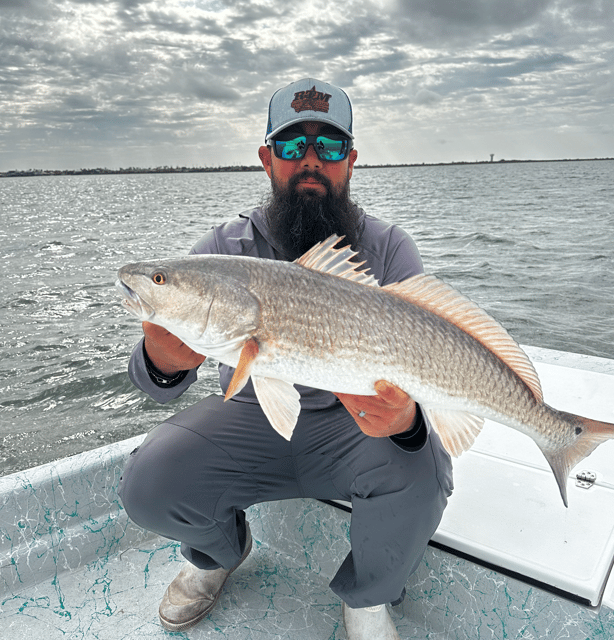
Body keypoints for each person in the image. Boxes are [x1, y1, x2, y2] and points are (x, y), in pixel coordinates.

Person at [118, 78, 453, 640]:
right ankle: (219, 553)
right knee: (149, 480)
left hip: (357, 425)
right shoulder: (221, 250)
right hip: (251, 416)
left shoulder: (390, 247)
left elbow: (427, 358)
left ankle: (368, 598)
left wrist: (408, 421)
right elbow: (159, 388)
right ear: (267, 158)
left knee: (423, 467)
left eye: (329, 147)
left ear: (351, 159)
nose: (311, 162)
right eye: (294, 147)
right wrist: (161, 359)